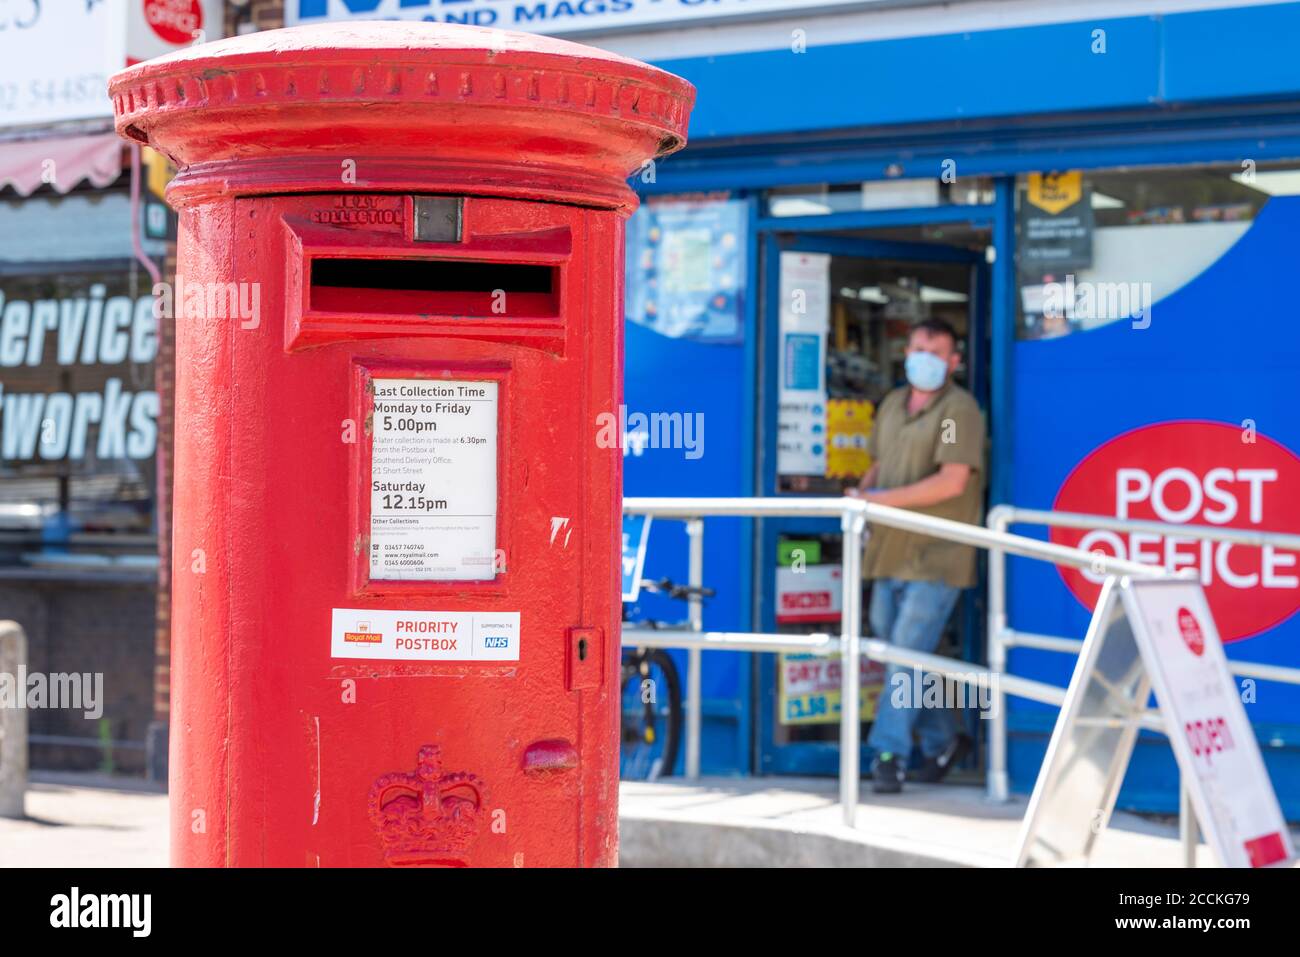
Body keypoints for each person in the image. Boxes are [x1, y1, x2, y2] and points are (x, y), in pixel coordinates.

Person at [847, 318, 986, 794]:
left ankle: (887, 755)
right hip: (889, 551)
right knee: (898, 652)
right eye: (917, 347)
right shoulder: (891, 405)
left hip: (936, 555)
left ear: (953, 362)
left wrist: (877, 500)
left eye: (935, 350)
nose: (922, 357)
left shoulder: (957, 411)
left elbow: (953, 480)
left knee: (904, 652)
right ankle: (944, 738)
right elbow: (879, 464)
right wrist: (856, 499)